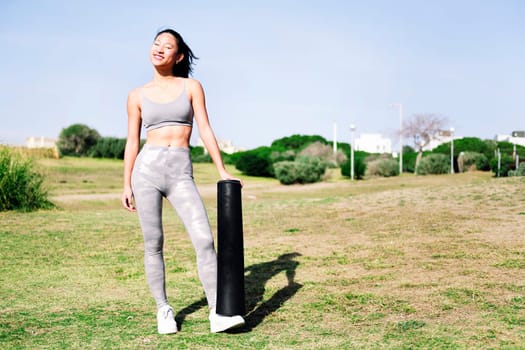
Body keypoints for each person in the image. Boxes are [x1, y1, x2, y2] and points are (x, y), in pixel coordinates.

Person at [121, 28, 245, 334]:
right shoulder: (136, 95)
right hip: (146, 171)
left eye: (168, 46)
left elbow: (204, 128)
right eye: (156, 43)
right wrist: (126, 184)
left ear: (178, 56)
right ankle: (163, 309)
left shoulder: (191, 86)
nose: (159, 49)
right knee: (154, 243)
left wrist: (222, 170)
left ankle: (218, 312)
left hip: (180, 172)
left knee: (204, 239)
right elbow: (132, 142)